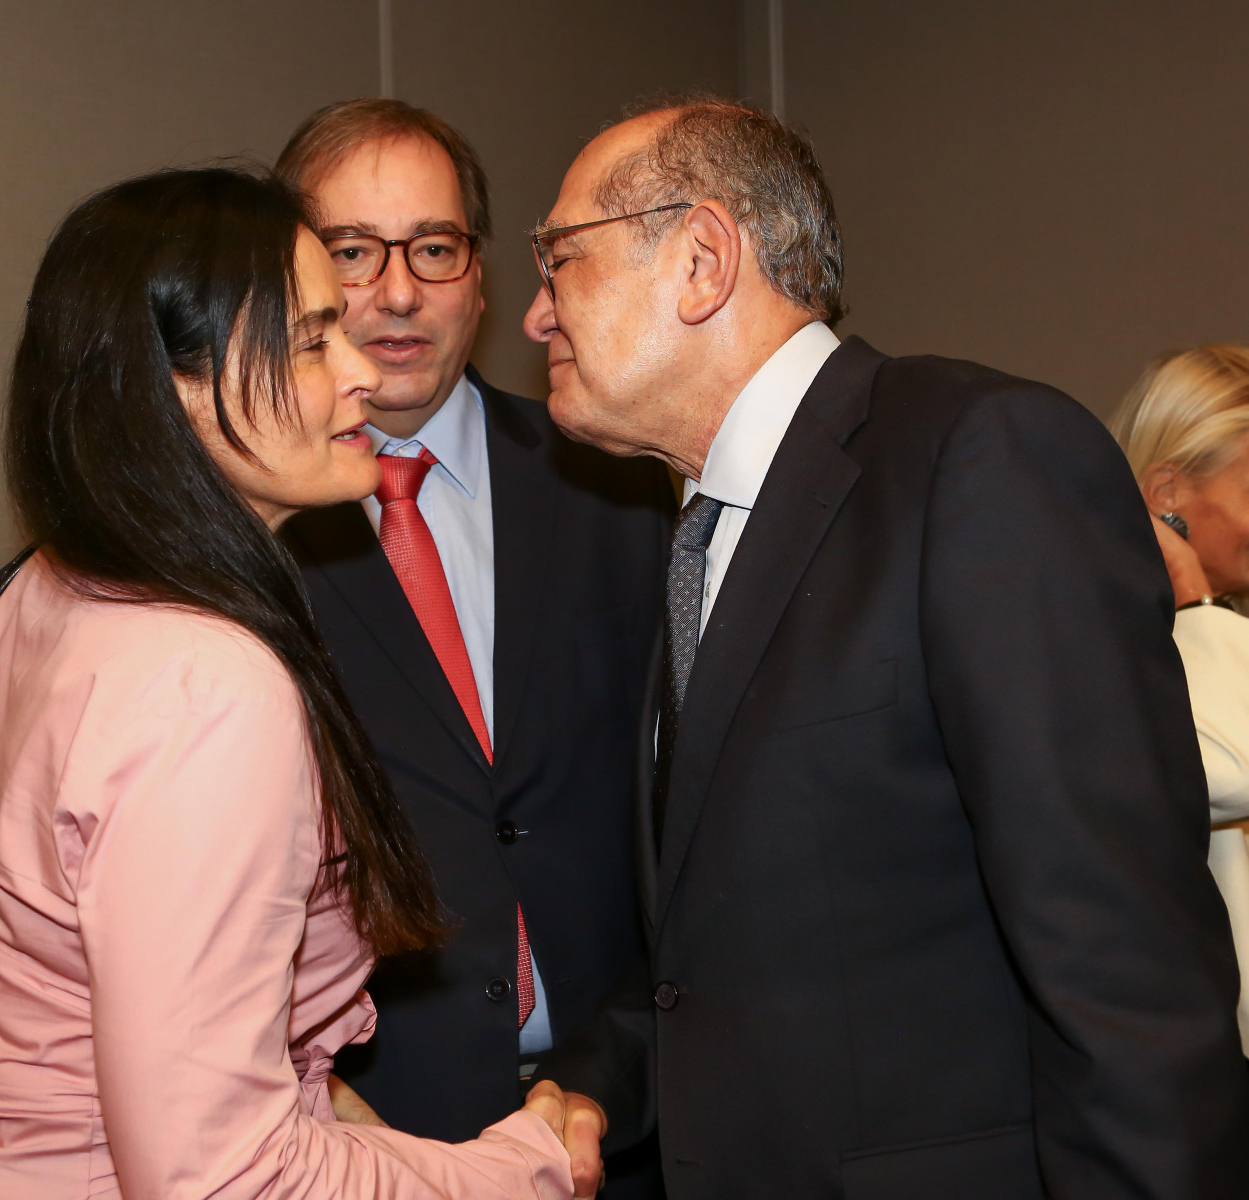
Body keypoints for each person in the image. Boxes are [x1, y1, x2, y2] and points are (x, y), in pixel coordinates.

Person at [520, 98, 1249, 1199]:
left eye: (560, 260)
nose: (536, 314)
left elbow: (1121, 958)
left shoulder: (979, 459)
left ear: (702, 260)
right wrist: (595, 1079)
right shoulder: (700, 534)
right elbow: (729, 939)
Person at [0, 167, 576, 1200]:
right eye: (312, 341)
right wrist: (525, 1170)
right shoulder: (205, 688)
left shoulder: (57, 581)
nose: (359, 373)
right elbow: (221, 1178)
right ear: (175, 389)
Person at [275, 100, 672, 1196]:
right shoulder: (249, 533)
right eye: (352, 252)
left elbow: (685, 809)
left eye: (434, 249)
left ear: (482, 278)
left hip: (624, 1121)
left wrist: (614, 1071)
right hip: (373, 1136)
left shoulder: (618, 484)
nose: (398, 292)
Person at [1112, 343, 1249, 1056]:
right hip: (1198, 1055)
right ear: (1166, 492)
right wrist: (1192, 602)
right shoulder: (1104, 641)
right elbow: (1231, 772)